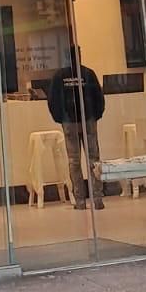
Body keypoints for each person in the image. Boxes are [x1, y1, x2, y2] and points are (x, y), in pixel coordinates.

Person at [47, 46, 106, 209]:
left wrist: (61, 118)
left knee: (74, 161)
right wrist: (96, 115)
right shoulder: (88, 74)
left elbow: (53, 100)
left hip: (70, 122)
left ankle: (80, 200)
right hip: (88, 120)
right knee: (93, 159)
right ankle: (97, 198)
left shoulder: (60, 76)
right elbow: (99, 97)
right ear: (80, 56)